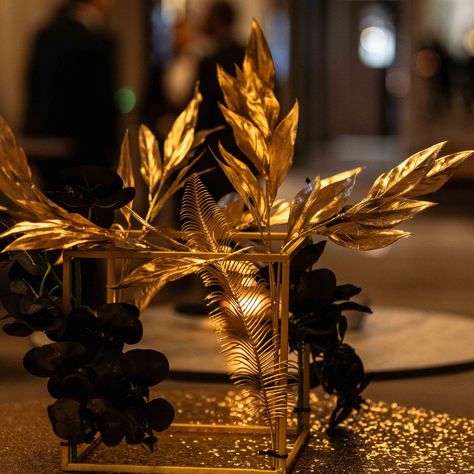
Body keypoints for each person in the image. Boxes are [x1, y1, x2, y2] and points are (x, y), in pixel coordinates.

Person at [25, 0, 118, 188]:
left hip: (45, 146)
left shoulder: (44, 35)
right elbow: (102, 104)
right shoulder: (98, 40)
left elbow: (32, 89)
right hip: (87, 151)